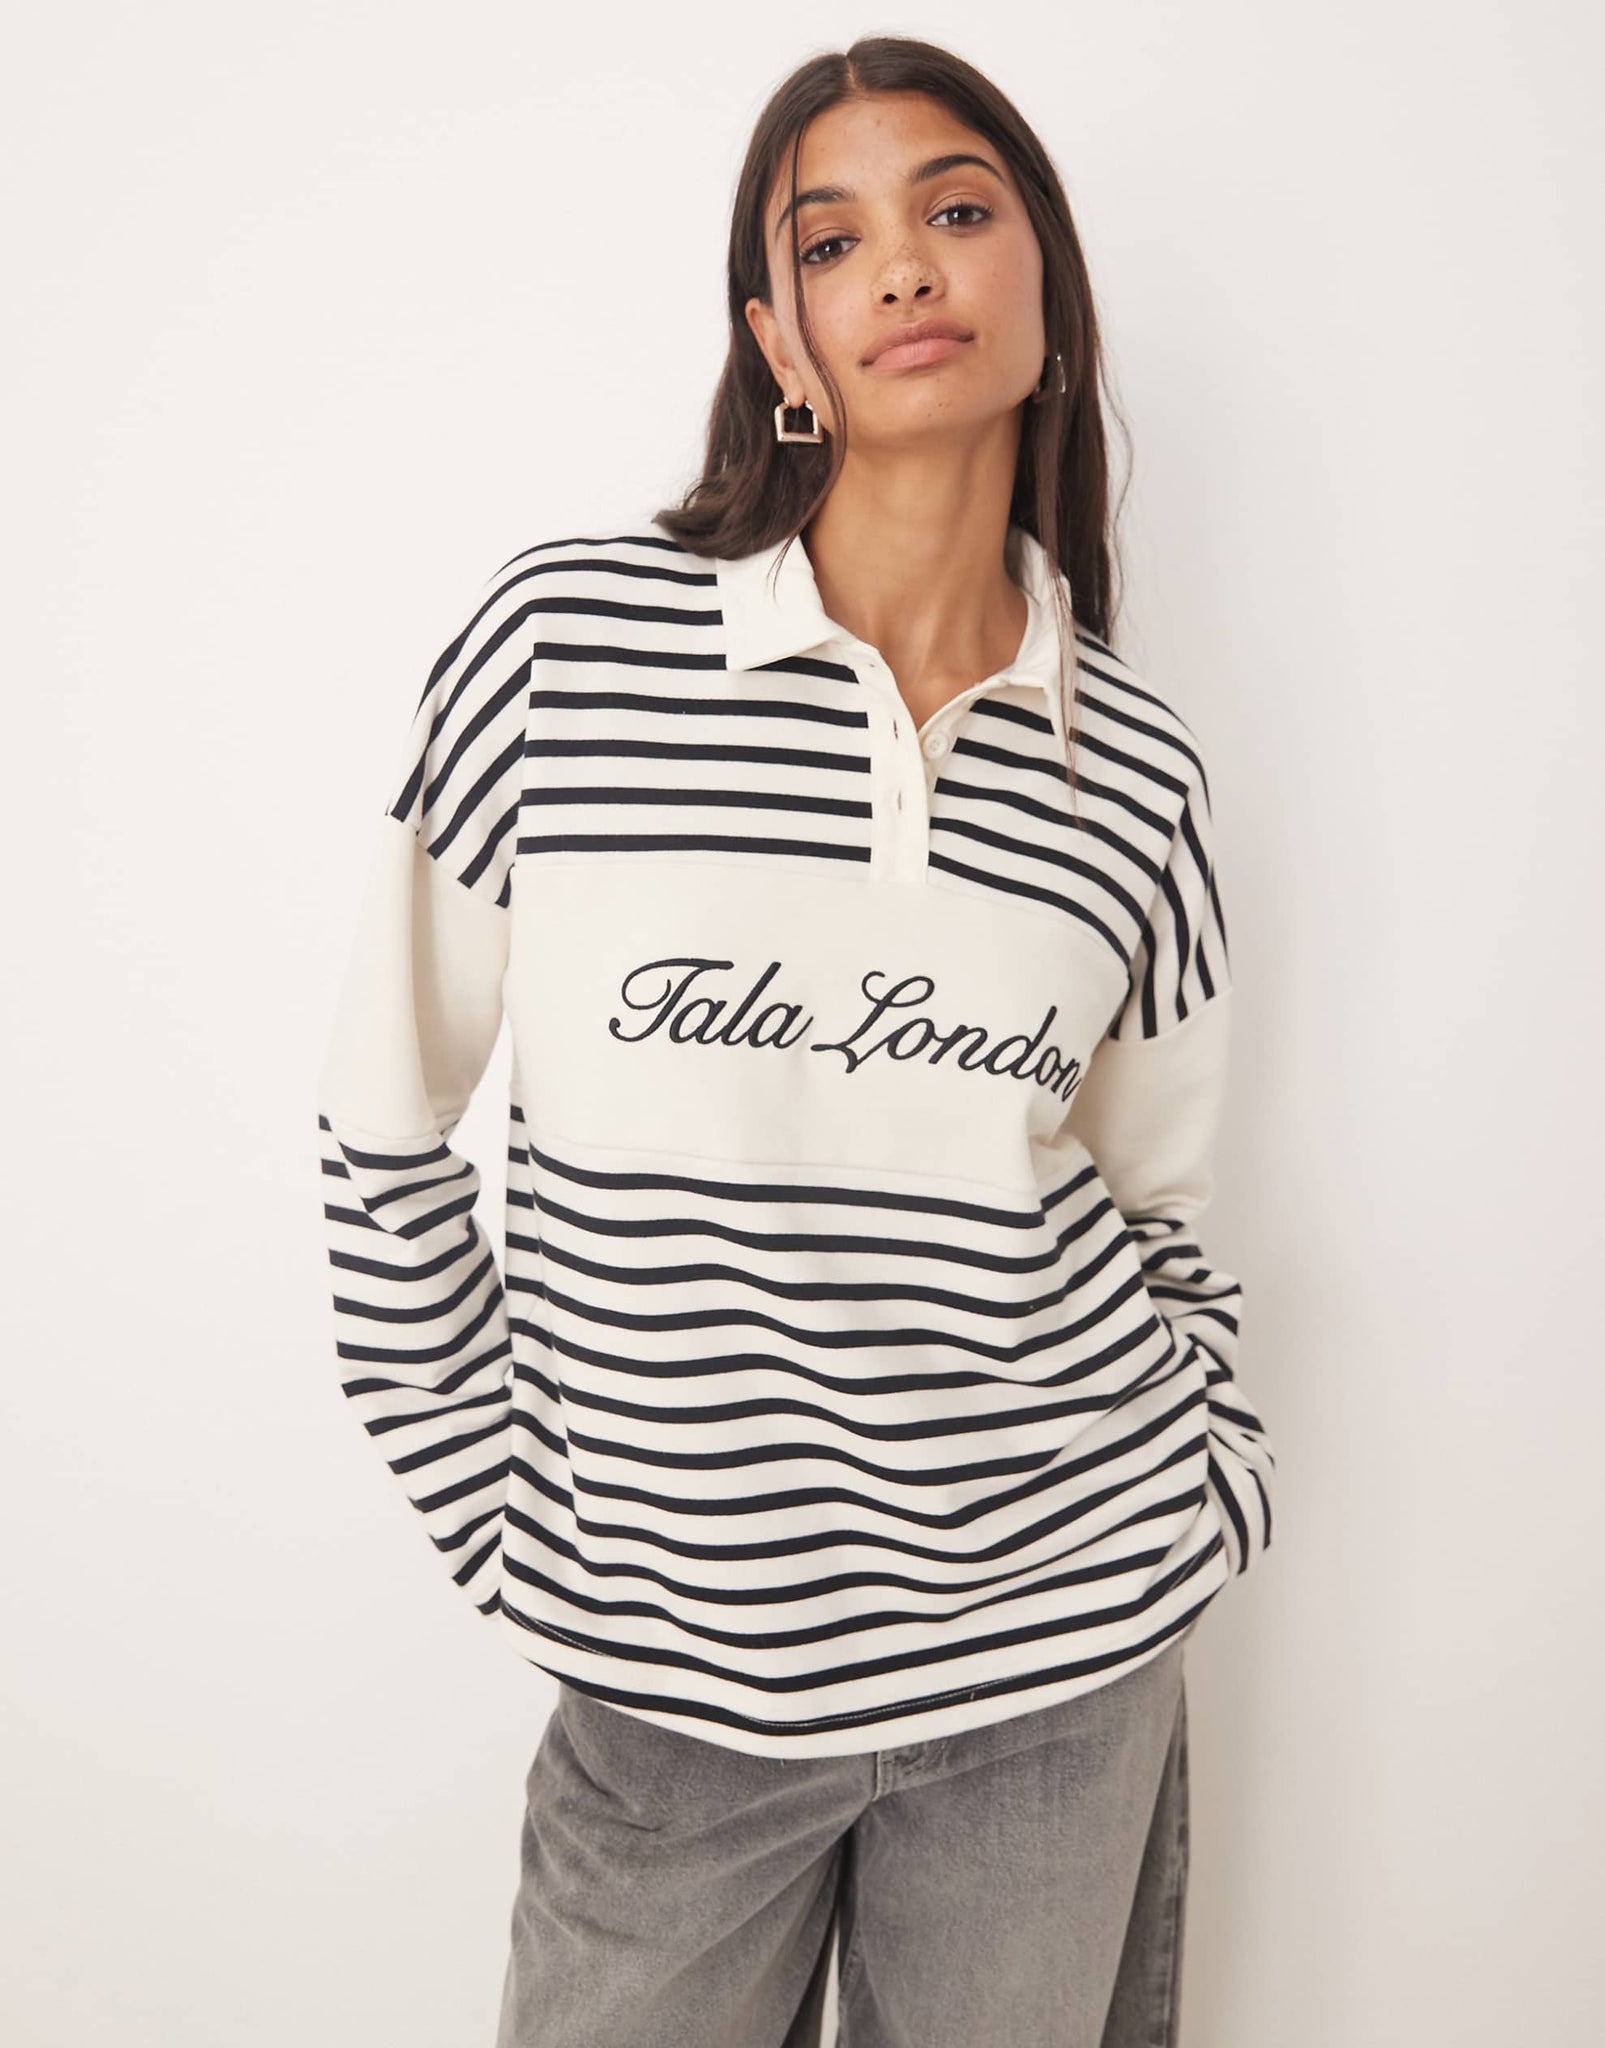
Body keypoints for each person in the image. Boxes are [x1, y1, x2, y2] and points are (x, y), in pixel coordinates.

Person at [315, 32, 1276, 2048]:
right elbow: (382, 1125)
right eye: (831, 241)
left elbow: (1164, 1212)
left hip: (1058, 1670)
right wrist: (511, 1515)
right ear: (780, 339)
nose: (903, 266)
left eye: (955, 210)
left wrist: (1194, 1488)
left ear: (1042, 283)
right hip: (668, 1701)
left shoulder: (1135, 771)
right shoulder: (564, 651)